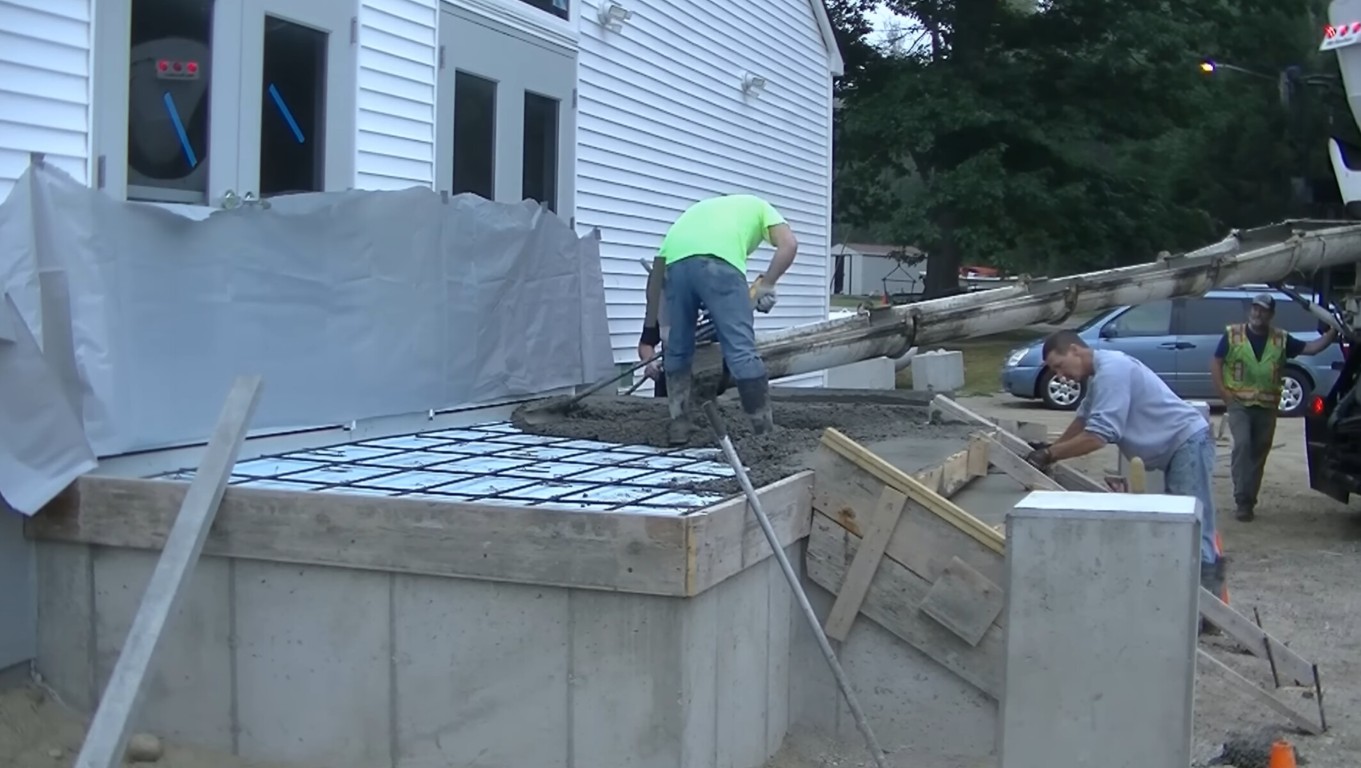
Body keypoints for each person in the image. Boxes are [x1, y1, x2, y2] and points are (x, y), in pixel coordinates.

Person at [1025, 329, 1224, 600]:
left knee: (1194, 529)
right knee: (1189, 526)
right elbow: (1084, 420)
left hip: (1187, 443)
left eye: (1059, 366)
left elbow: (1098, 436)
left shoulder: (1112, 371)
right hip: (1179, 447)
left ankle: (1206, 609)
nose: (1061, 376)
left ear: (1075, 350)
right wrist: (1052, 450)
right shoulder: (1101, 376)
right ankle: (1198, 606)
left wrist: (1050, 455)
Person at [637, 194, 799, 445]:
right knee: (741, 350)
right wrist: (767, 285)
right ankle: (763, 433)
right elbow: (789, 245)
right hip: (719, 262)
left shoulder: (700, 211)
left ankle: (679, 425)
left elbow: (657, 285)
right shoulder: (761, 208)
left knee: (677, 348)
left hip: (672, 265)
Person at [1210, 293, 1337, 522]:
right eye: (1255, 309)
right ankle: (1242, 499)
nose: (1258, 313)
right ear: (1251, 311)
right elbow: (1217, 362)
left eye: (1263, 310)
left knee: (1259, 452)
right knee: (1243, 445)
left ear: (1271, 314)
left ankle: (1249, 500)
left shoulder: (1281, 339)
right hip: (1239, 404)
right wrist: (1224, 393)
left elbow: (1311, 348)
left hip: (1267, 407)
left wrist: (1332, 332)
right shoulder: (1232, 335)